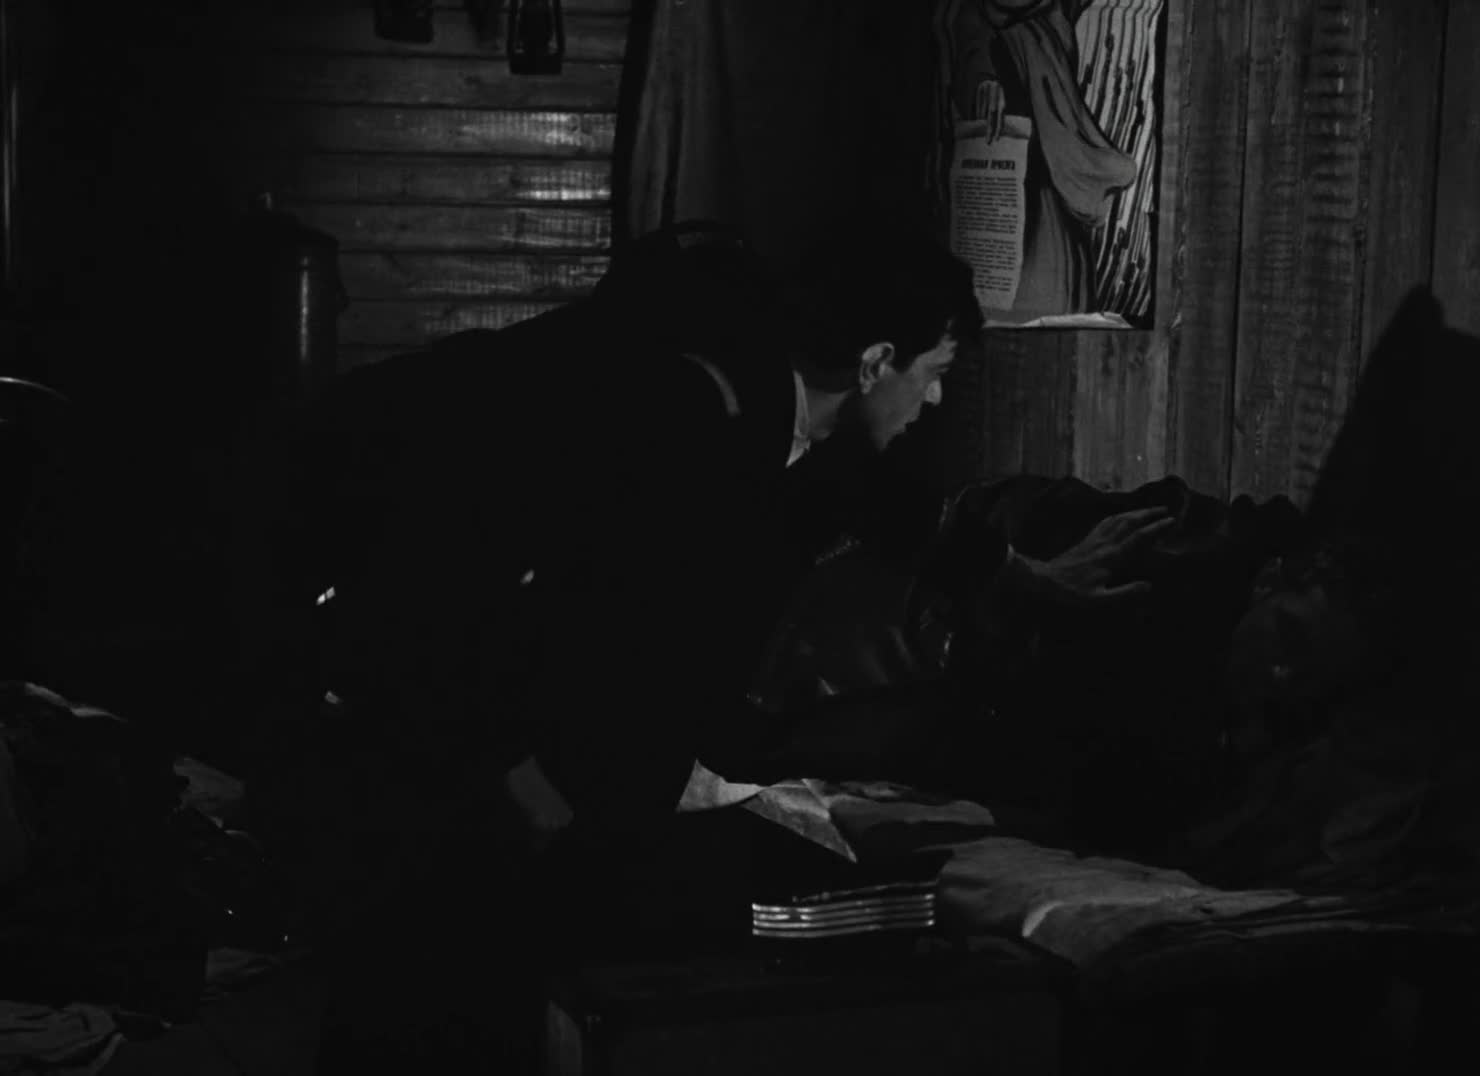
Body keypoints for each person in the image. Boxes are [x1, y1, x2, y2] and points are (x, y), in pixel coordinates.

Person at [237, 221, 1172, 1071]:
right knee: (427, 981)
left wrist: (1039, 583)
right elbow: (466, 583)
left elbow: (894, 511)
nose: (932, 402)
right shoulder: (687, 409)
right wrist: (522, 776)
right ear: (877, 361)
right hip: (393, 670)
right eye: (933, 373)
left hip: (501, 732)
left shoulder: (791, 419)